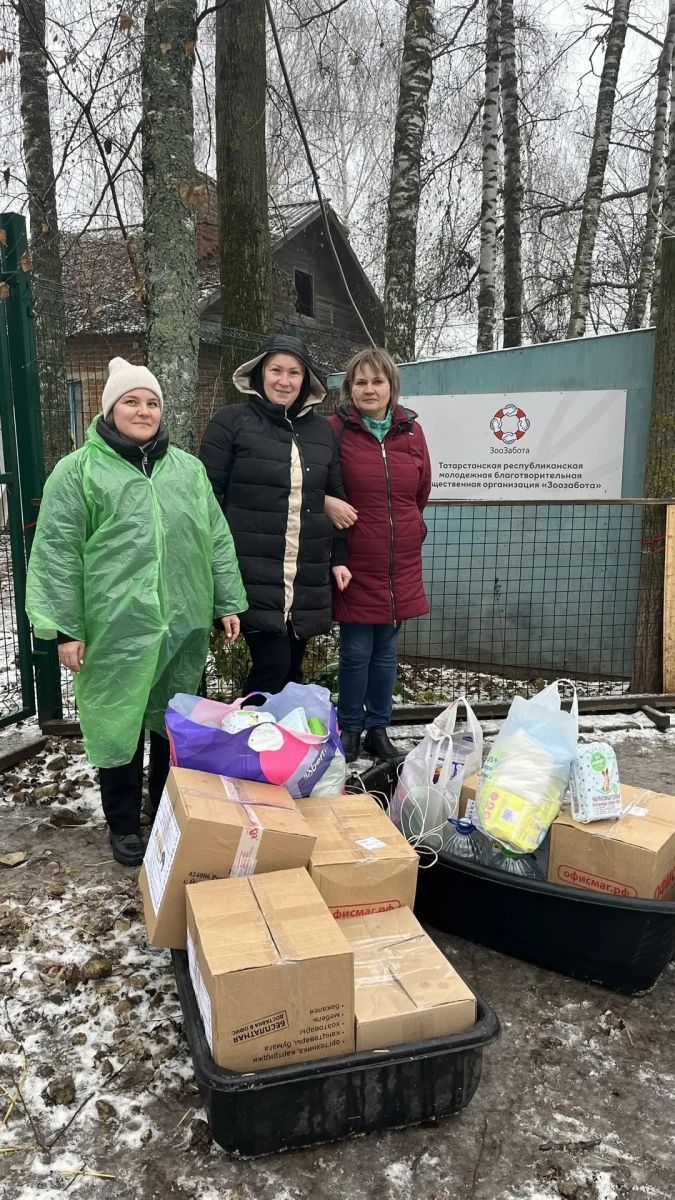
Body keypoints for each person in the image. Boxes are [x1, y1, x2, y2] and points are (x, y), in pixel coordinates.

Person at [26, 357, 247, 867]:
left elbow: (215, 538)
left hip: (183, 622)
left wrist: (227, 600)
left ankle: (167, 808)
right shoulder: (78, 472)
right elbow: (58, 552)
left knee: (173, 720)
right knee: (118, 723)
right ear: (110, 409)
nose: (143, 410)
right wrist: (65, 628)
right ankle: (124, 824)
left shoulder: (187, 470)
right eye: (131, 401)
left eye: (152, 402)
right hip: (112, 628)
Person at [199, 334, 351, 696]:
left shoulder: (321, 432)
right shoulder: (231, 422)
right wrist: (213, 562)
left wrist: (339, 559)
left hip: (305, 573)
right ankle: (243, 727)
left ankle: (273, 733)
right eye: (276, 370)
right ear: (259, 374)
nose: (284, 380)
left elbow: (337, 498)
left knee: (292, 672)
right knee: (274, 665)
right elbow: (206, 499)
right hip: (251, 570)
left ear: (306, 380)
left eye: (294, 372)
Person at [325, 347, 432, 763]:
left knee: (386, 650)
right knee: (355, 650)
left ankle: (378, 728)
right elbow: (323, 485)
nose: (369, 389)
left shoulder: (412, 432)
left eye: (377, 381)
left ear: (391, 386)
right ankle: (350, 727)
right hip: (355, 557)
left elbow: (420, 491)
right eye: (361, 382)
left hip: (399, 558)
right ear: (349, 388)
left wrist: (409, 527)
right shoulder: (335, 430)